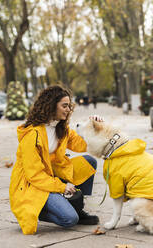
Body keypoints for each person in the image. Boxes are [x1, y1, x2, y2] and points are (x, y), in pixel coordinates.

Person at [9, 85, 103, 235]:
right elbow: (34, 175)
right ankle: (35, 210)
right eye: (64, 106)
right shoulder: (32, 135)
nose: (68, 110)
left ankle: (78, 208)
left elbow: (83, 145)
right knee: (70, 219)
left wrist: (96, 127)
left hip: (52, 174)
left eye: (69, 106)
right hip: (32, 184)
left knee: (89, 162)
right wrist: (62, 187)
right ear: (51, 106)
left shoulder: (61, 128)